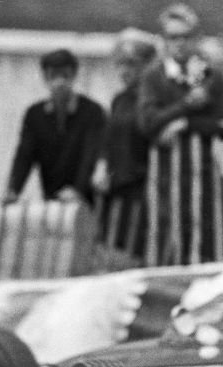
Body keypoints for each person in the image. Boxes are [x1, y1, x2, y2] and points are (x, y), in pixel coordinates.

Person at [138, 3, 223, 262]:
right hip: (164, 172)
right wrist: (186, 106)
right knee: (164, 235)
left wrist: (186, 124)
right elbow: (147, 123)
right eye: (173, 37)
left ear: (197, 38)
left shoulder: (211, 74)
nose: (179, 43)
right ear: (163, 40)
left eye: (185, 37)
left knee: (205, 235)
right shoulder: (153, 75)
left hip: (204, 171)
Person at [4, 49, 106, 205]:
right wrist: (13, 190)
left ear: (73, 76)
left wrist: (78, 190)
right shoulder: (35, 114)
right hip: (52, 198)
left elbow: (91, 153)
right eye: (53, 76)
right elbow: (24, 155)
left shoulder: (92, 111)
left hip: (86, 200)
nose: (60, 82)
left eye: (65, 75)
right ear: (45, 77)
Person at [92, 29, 158, 259]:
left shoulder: (153, 100)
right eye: (121, 64)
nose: (125, 71)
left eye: (132, 64)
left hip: (143, 186)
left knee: (136, 249)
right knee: (110, 249)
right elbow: (108, 138)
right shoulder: (119, 99)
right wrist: (102, 164)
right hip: (116, 186)